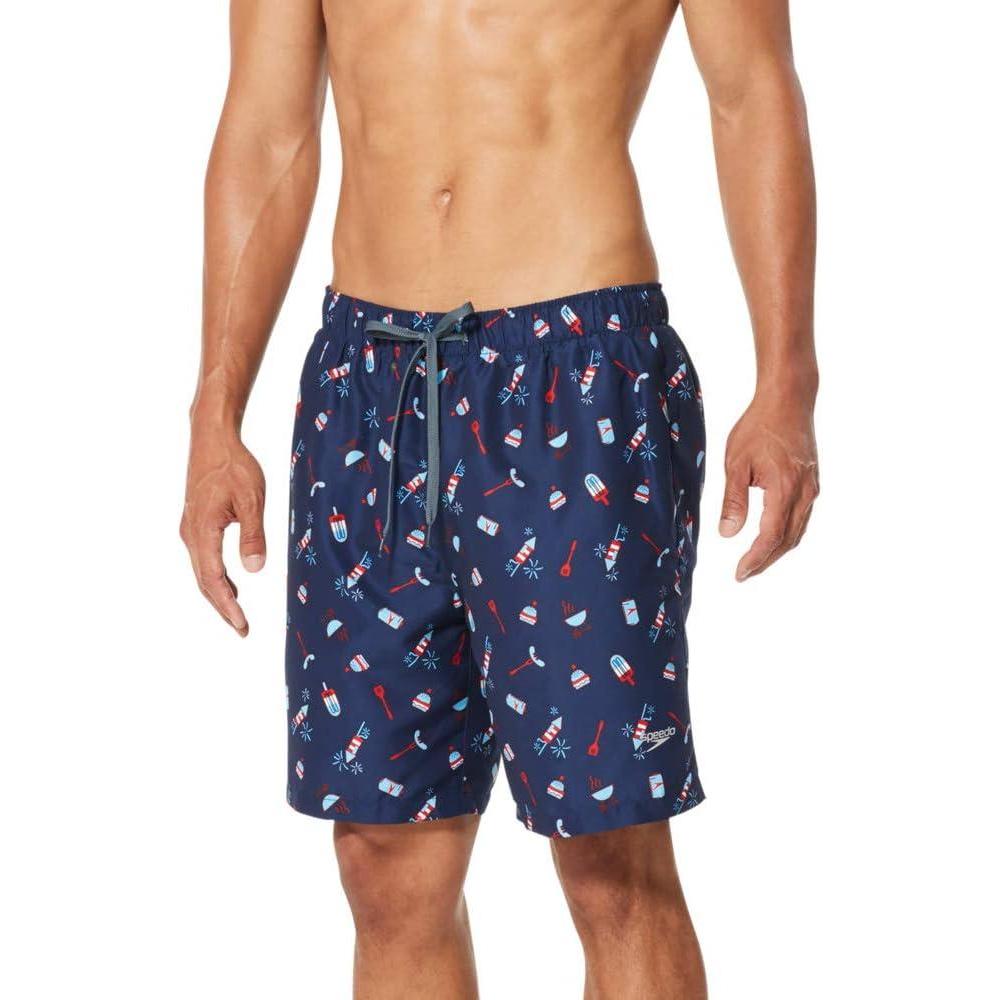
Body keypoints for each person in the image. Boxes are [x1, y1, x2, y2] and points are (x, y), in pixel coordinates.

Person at [180, 1, 819, 996]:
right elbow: (266, 129)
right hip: (368, 383)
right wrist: (215, 412)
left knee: (609, 857)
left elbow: (751, 95)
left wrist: (787, 380)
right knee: (386, 860)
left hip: (576, 371)